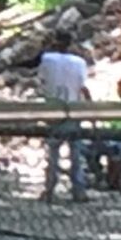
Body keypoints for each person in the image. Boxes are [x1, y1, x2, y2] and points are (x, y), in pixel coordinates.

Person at [35, 42, 91, 200]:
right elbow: (83, 87)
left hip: (53, 109)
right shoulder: (79, 63)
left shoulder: (47, 60)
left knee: (53, 153)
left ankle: (50, 189)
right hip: (73, 110)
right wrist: (91, 109)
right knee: (75, 153)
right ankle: (78, 190)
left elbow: (42, 81)